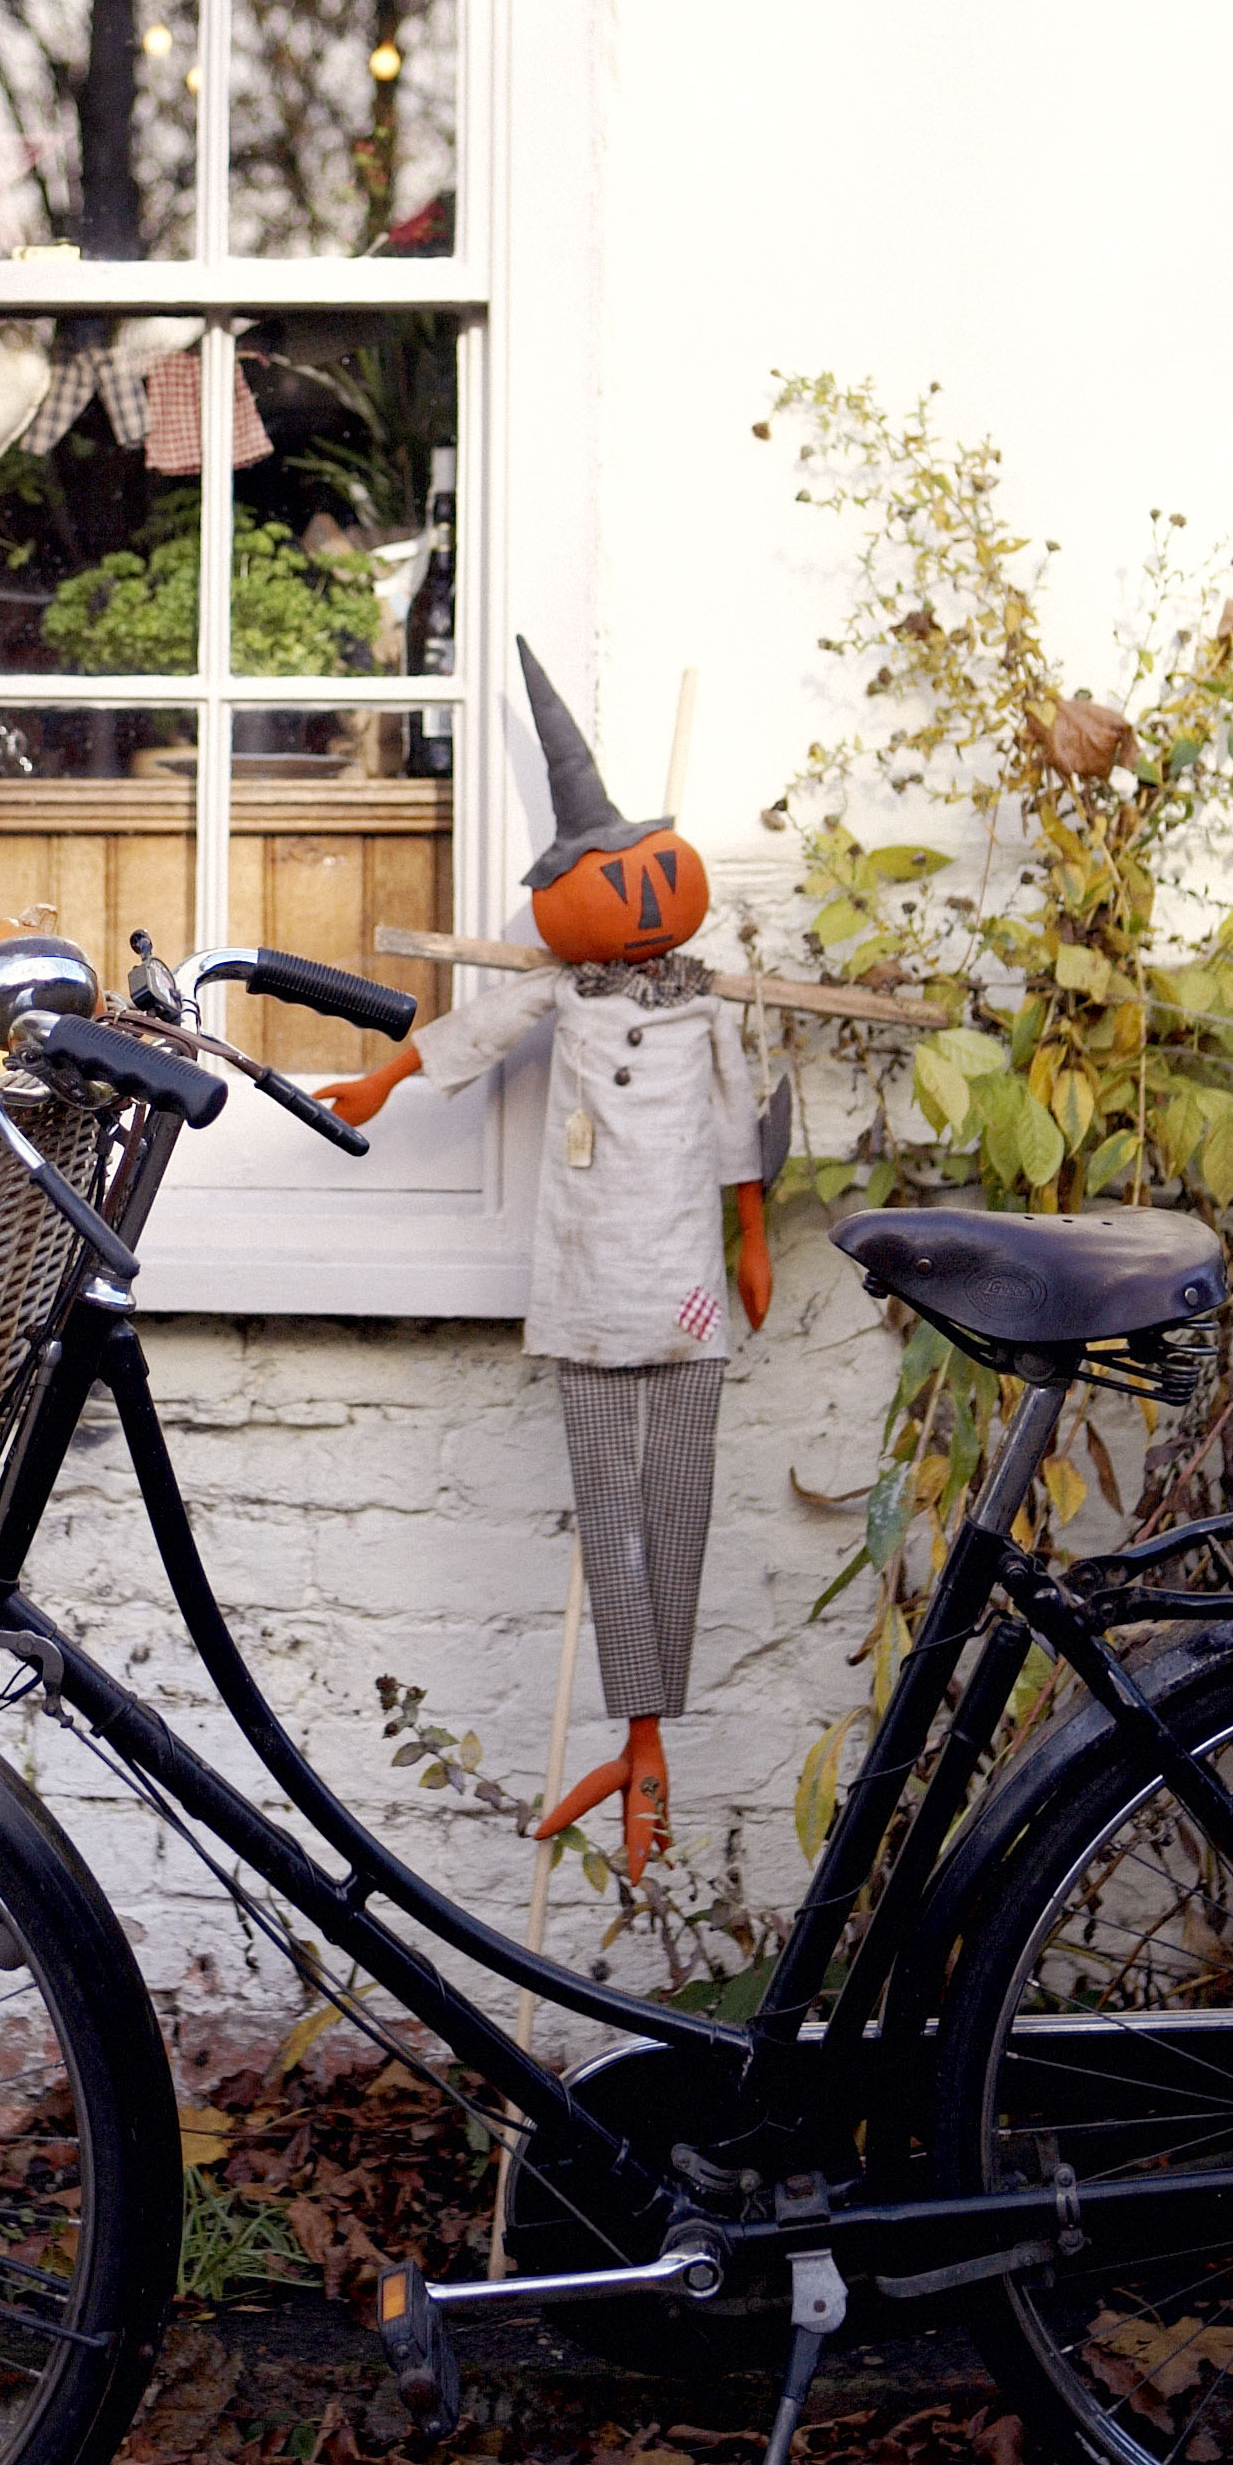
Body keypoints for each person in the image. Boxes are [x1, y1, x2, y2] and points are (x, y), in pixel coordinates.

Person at [316, 642, 770, 1872]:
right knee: (607, 1516)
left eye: (646, 871)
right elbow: (469, 1031)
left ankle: (646, 1740)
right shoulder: (563, 994)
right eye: (605, 878)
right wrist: (380, 1078)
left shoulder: (710, 1005)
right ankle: (635, 1740)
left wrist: (751, 1238)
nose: (633, 895)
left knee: (677, 1503)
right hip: (584, 1289)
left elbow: (739, 1122)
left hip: (682, 1295)